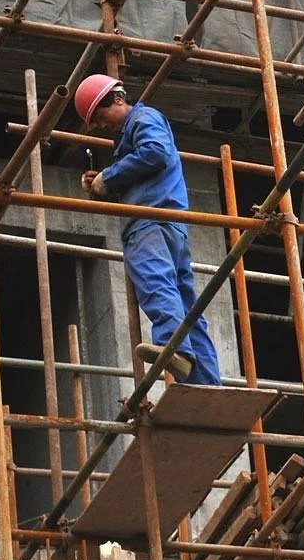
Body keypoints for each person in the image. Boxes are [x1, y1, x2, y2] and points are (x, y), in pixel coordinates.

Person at [74, 74, 222, 386]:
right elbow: (148, 168)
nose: (100, 127)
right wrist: (104, 183)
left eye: (100, 118)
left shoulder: (143, 118)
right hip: (169, 221)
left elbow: (155, 152)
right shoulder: (135, 130)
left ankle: (174, 347)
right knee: (186, 306)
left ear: (117, 99)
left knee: (157, 284)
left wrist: (110, 176)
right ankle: (206, 385)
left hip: (149, 221)